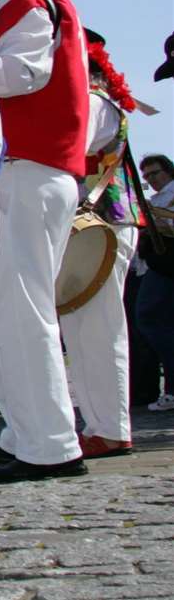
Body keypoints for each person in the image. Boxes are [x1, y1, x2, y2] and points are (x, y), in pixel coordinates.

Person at [0, 0, 89, 484]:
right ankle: (26, 432)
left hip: (28, 169)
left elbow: (20, 73)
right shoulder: (33, 8)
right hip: (32, 170)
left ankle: (50, 445)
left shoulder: (30, 8)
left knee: (21, 311)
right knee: (11, 307)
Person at [60, 31, 143, 459]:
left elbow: (68, 141)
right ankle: (97, 424)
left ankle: (111, 427)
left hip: (104, 221)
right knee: (81, 328)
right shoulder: (95, 99)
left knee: (100, 326)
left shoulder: (93, 101)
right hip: (90, 224)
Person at [134, 154, 174, 411]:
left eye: (155, 174)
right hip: (157, 264)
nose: (151, 180)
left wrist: (156, 222)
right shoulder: (158, 198)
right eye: (147, 177)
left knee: (148, 317)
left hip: (166, 265)